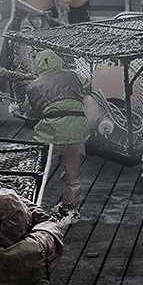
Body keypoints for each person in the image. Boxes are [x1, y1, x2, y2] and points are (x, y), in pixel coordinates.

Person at [22, 50, 100, 212]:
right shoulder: (74, 76)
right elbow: (88, 85)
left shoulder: (33, 85)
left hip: (50, 133)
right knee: (73, 175)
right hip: (77, 132)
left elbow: (29, 111)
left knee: (37, 171)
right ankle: (69, 209)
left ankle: (29, 206)